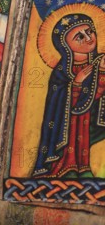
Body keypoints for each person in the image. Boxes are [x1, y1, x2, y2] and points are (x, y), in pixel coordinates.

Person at [33, 11, 105, 178]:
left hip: (88, 120)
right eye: (79, 37)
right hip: (66, 123)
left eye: (89, 31)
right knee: (71, 140)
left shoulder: (98, 62)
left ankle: (83, 168)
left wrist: (101, 71)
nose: (88, 38)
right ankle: (64, 167)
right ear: (65, 46)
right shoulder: (62, 72)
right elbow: (57, 103)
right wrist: (77, 83)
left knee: (83, 142)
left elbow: (96, 97)